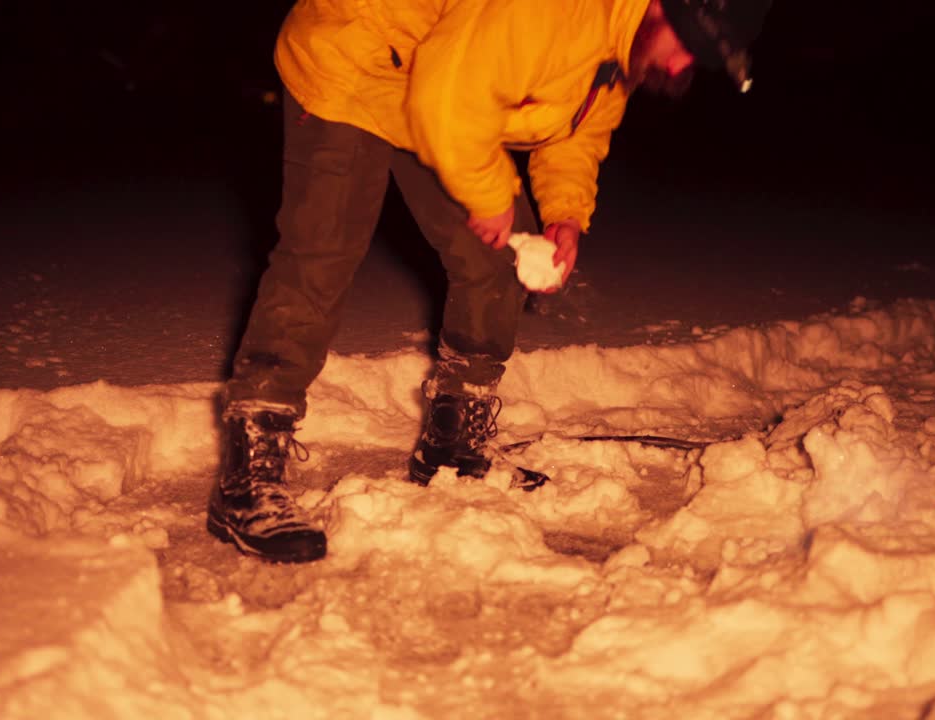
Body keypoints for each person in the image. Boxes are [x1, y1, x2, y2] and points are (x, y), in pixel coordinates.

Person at [207, 0, 773, 562]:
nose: (681, 69)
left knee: (497, 261)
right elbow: (448, 95)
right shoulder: (553, 11)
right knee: (321, 253)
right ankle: (248, 472)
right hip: (354, 55)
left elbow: (576, 130)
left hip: (426, 86)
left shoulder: (617, 45)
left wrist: (565, 215)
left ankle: (453, 446)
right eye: (690, 50)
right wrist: (488, 197)